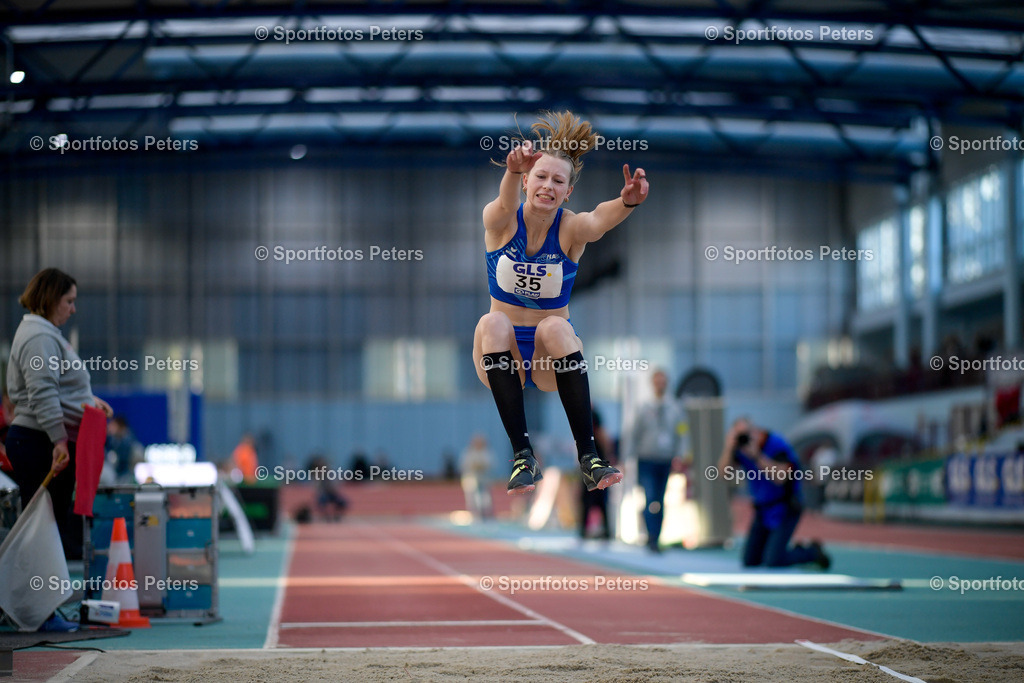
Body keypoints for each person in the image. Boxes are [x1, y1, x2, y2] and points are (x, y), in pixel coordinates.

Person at [473, 110, 649, 495]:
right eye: (540, 177)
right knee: (492, 323)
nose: (548, 186)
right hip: (500, 355)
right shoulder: (500, 221)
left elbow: (598, 220)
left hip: (546, 356)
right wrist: (511, 171)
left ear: (568, 191)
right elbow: (502, 204)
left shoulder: (569, 228)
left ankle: (590, 457)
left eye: (558, 181)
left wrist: (627, 203)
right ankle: (523, 455)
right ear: (525, 182)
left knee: (556, 325)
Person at [5, 268, 113, 631]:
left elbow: (59, 390)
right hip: (39, 443)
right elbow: (42, 393)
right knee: (43, 532)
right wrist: (59, 440)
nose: (73, 308)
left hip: (41, 440)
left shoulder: (45, 335)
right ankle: (40, 612)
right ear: (51, 300)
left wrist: (89, 403)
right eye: (69, 301)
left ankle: (43, 608)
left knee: (48, 528)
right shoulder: (39, 337)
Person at [718, 417, 830, 569]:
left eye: (746, 434)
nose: (744, 439)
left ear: (755, 431)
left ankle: (812, 552)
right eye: (740, 435)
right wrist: (729, 447)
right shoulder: (739, 448)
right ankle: (775, 549)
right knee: (750, 561)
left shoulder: (775, 444)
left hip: (785, 507)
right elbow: (723, 474)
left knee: (773, 561)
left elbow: (781, 477)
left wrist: (756, 456)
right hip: (762, 509)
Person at [630, 369, 687, 552]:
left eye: (663, 381)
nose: (660, 385)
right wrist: (628, 457)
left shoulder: (675, 408)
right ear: (652, 383)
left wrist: (680, 455)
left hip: (665, 458)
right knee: (650, 497)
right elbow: (634, 433)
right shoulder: (644, 407)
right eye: (657, 381)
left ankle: (656, 536)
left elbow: (682, 433)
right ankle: (650, 535)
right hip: (647, 458)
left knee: (660, 499)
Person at [579, 406, 615, 540]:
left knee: (594, 496)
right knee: (597, 497)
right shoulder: (588, 413)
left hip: (593, 462)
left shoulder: (591, 414)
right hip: (593, 462)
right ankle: (604, 530)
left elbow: (601, 435)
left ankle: (593, 530)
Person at [460, 434, 494, 519]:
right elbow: (464, 465)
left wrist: (481, 465)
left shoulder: (487, 452)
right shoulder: (468, 452)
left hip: (483, 479)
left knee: (485, 498)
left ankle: (486, 514)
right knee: (472, 499)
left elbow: (490, 464)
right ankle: (474, 515)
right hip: (471, 478)